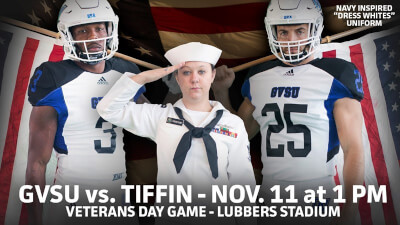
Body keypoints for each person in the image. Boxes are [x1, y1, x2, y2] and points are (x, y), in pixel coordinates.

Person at [212, 0, 365, 224]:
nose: (291, 40)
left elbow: (353, 149)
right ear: (272, 31)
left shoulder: (337, 74)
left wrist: (348, 211)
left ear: (315, 28)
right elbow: (239, 134)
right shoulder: (258, 76)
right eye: (283, 31)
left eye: (299, 30)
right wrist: (221, 93)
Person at [97, 42, 257, 225]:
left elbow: (242, 181)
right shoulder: (161, 116)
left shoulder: (232, 123)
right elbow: (108, 109)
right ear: (177, 77)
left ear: (213, 75)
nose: (194, 79)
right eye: (186, 72)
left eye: (202, 72)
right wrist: (142, 78)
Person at [25, 0, 146, 224]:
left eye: (99, 28)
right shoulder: (53, 76)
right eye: (83, 30)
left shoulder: (125, 71)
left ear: (110, 30)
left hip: (118, 198)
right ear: (68, 34)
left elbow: (155, 123)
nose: (94, 37)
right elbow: (37, 162)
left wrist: (176, 86)